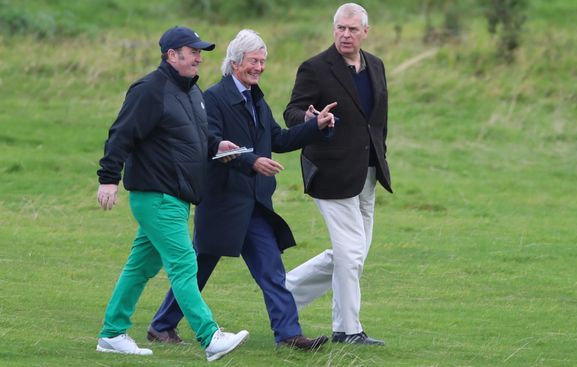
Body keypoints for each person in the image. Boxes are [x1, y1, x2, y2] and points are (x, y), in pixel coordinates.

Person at [148, 29, 337, 351]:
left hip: (254, 204)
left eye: (262, 61)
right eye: (254, 61)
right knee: (198, 268)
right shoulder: (213, 98)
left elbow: (277, 139)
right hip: (222, 202)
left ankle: (289, 335)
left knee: (272, 271)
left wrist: (314, 127)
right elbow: (211, 145)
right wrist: (251, 162)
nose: (259, 67)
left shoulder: (256, 98)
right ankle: (162, 325)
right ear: (235, 62)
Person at [95, 26, 249, 362]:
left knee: (140, 268)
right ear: (171, 55)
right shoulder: (150, 90)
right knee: (184, 263)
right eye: (191, 51)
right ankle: (211, 337)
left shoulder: (192, 92)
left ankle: (111, 333)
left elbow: (192, 138)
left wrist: (216, 145)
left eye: (200, 52)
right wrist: (108, 179)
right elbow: (121, 134)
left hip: (177, 197)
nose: (198, 57)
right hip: (156, 195)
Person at [283, 3, 392, 346]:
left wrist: (380, 155)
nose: (345, 34)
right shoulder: (316, 68)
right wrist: (310, 119)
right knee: (349, 254)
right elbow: (292, 111)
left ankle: (284, 293)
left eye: (352, 29)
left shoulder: (375, 65)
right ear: (334, 30)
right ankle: (348, 330)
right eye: (340, 28)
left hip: (368, 171)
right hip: (330, 172)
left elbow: (377, 119)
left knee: (354, 253)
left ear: (365, 32)